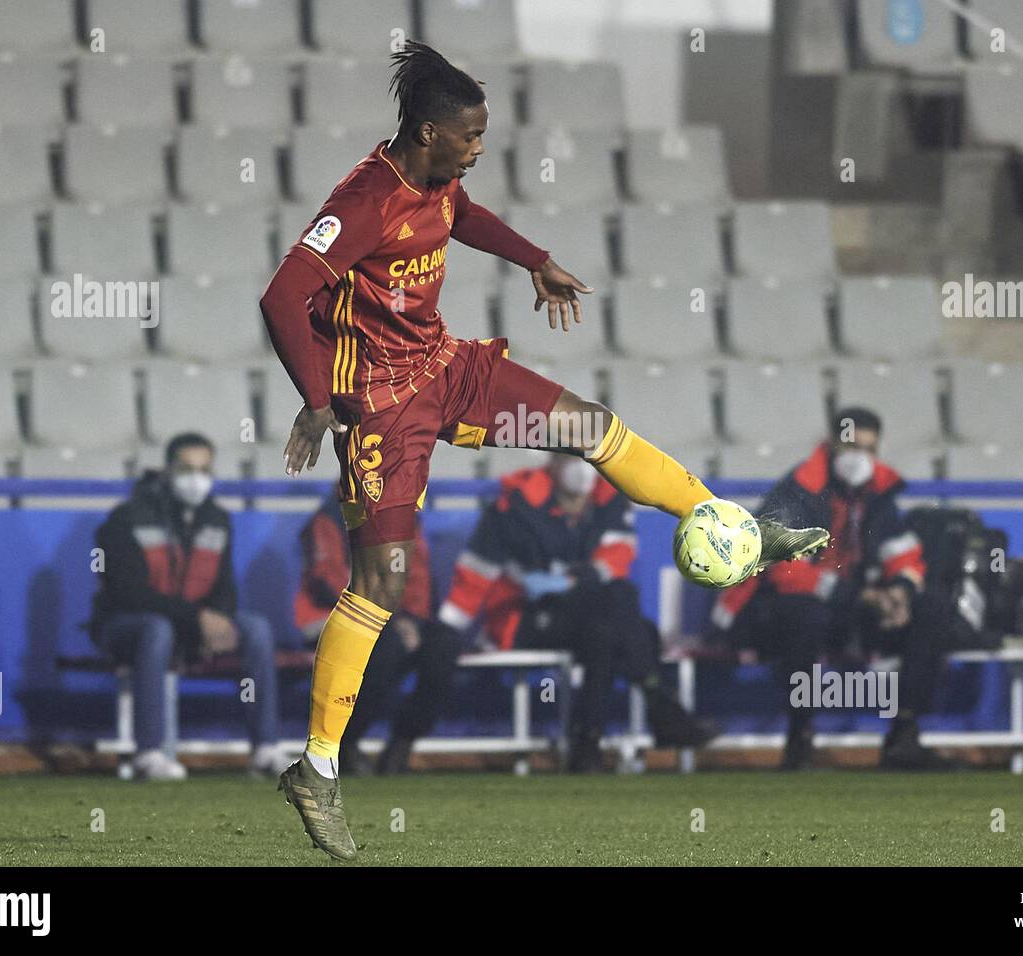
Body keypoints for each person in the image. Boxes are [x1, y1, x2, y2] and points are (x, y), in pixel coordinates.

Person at [260, 40, 828, 860]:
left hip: (449, 372)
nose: (478, 149)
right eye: (469, 137)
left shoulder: (438, 181)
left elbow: (463, 216)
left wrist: (534, 259)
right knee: (380, 580)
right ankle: (317, 767)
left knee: (589, 427)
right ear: (427, 132)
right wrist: (318, 401)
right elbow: (283, 294)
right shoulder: (363, 201)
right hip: (383, 410)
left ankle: (726, 522)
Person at [710, 407, 960, 772]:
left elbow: (903, 553)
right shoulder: (798, 490)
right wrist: (859, 596)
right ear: (831, 444)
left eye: (868, 449)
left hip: (846, 610)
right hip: (770, 613)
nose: (859, 457)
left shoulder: (878, 494)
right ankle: (799, 739)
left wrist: (901, 593)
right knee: (805, 613)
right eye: (851, 446)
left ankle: (904, 734)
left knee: (932, 608)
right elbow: (784, 570)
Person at [436, 455, 718, 771]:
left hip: (589, 615)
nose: (581, 467)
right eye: (571, 456)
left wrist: (572, 582)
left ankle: (589, 743)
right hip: (526, 615)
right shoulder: (514, 506)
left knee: (605, 627)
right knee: (628, 615)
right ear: (553, 462)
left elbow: (617, 557)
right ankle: (660, 711)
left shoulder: (609, 499)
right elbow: (476, 573)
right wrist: (446, 631)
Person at [89, 433, 286, 781]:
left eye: (204, 469)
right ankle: (149, 753)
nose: (196, 478)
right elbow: (127, 593)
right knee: (156, 629)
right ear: (166, 470)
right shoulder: (127, 518)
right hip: (124, 626)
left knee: (256, 628)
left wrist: (219, 619)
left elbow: (225, 586)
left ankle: (265, 749)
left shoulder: (217, 519)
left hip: (189, 625)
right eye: (186, 469)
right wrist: (198, 619)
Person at [295, 495, 461, 775]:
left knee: (444, 644)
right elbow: (328, 580)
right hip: (332, 619)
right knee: (384, 648)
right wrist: (388, 620)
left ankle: (403, 742)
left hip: (394, 622)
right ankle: (345, 743)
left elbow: (416, 579)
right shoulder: (330, 517)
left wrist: (411, 622)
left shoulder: (404, 516)